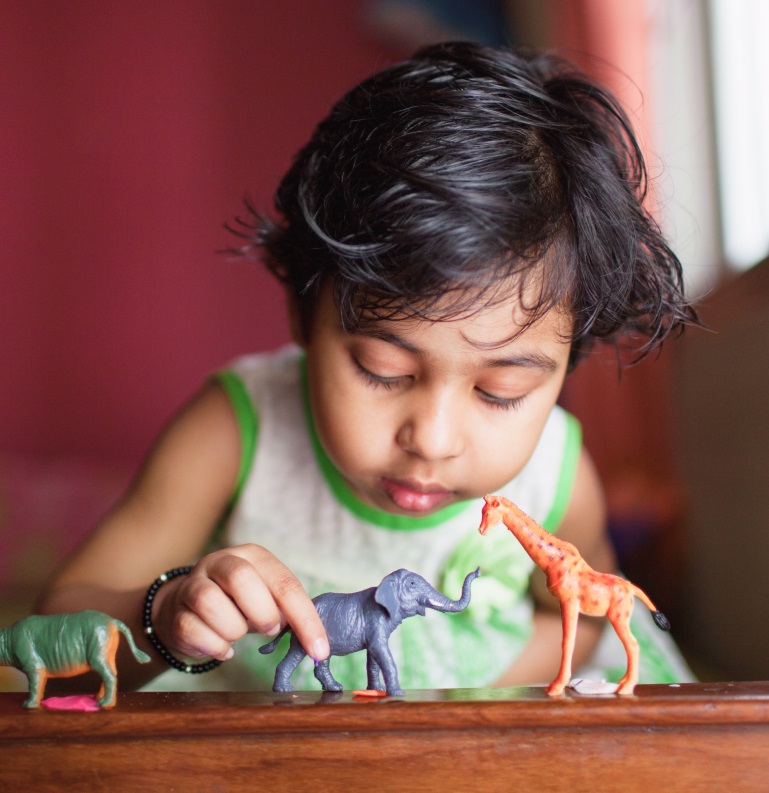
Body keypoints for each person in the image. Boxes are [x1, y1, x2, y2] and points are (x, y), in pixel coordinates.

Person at [36, 41, 698, 693]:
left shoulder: (555, 473)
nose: (431, 438)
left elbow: (576, 618)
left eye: (501, 391)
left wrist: (453, 701)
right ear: (303, 318)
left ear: (562, 368)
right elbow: (59, 626)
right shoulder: (234, 430)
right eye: (383, 370)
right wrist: (167, 615)